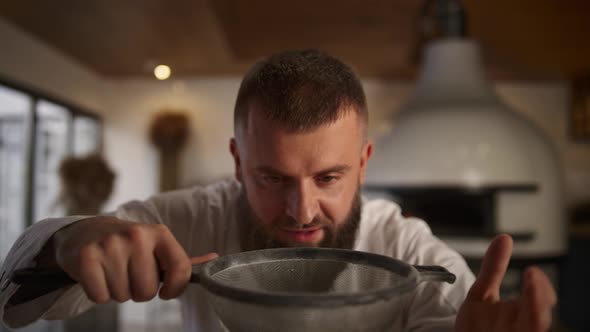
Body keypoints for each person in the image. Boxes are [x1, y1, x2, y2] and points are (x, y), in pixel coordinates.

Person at [0, 50, 556, 331]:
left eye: (329, 177)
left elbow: (449, 317)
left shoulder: (408, 248)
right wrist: (72, 241)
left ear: (364, 164)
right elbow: (14, 299)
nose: (302, 210)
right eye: (272, 177)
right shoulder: (187, 217)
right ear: (238, 162)